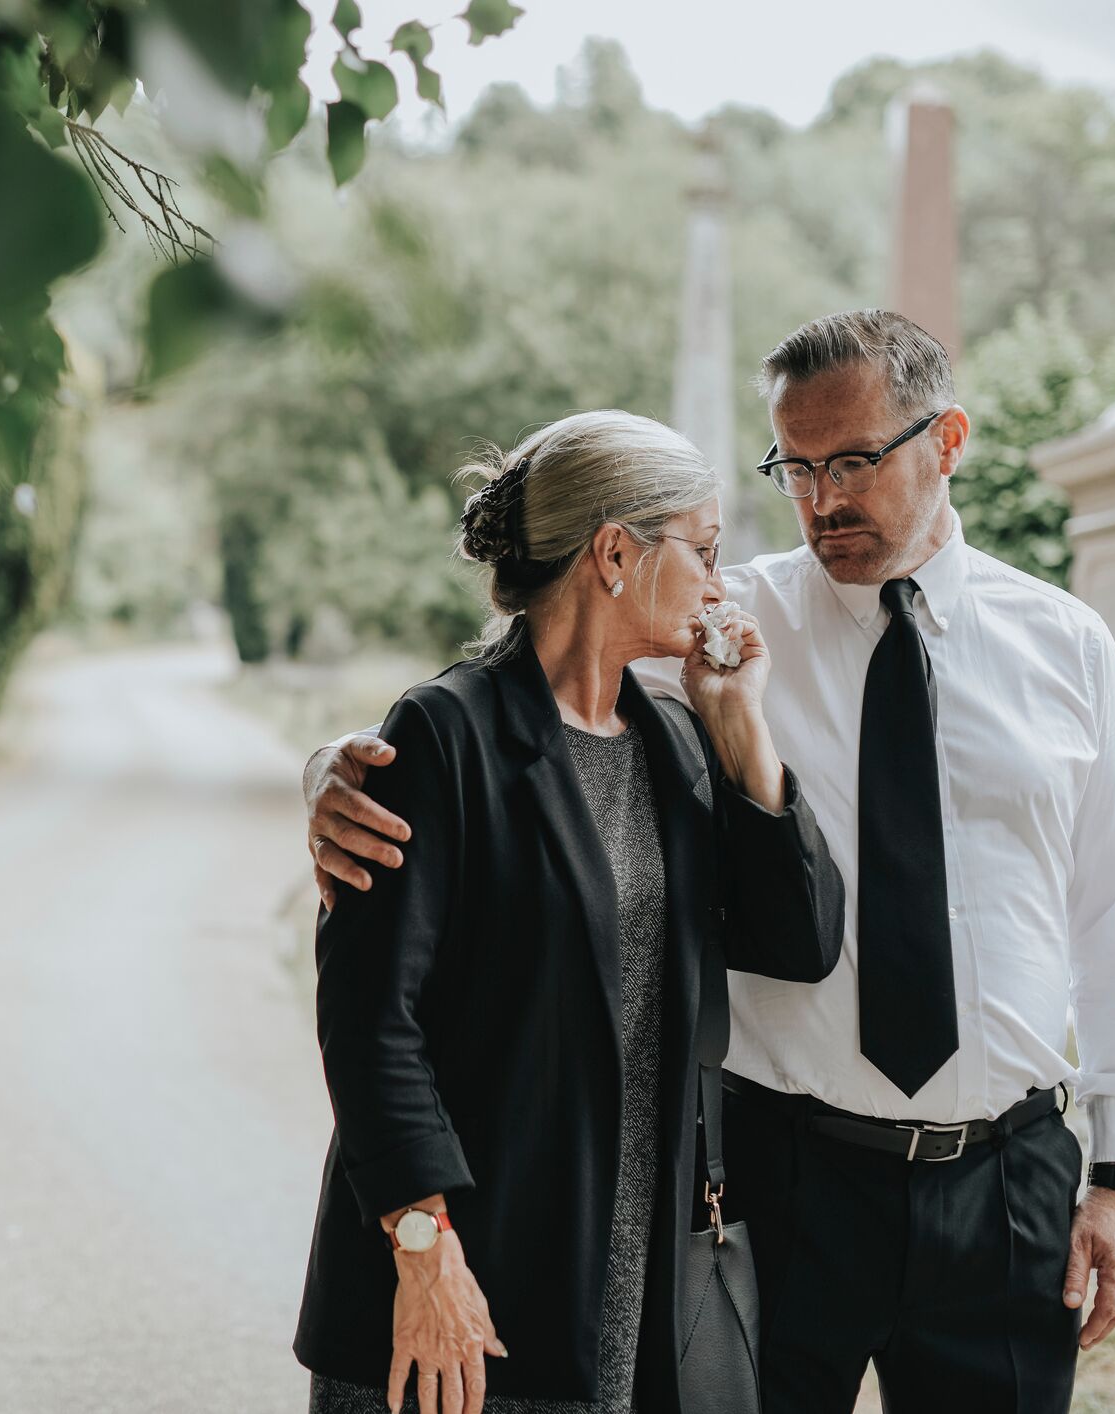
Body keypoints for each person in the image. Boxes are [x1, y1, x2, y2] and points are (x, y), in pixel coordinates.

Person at [305, 312, 1115, 1414]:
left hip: (1004, 1185)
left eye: (854, 461)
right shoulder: (716, 628)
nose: (821, 501)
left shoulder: (1061, 647)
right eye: (799, 468)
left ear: (947, 439)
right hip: (781, 1178)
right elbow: (506, 695)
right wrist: (335, 768)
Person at [294, 410, 844, 1414]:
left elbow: (798, 942)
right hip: (453, 1283)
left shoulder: (674, 743)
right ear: (615, 552)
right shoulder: (445, 733)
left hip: (619, 1291)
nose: (721, 582)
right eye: (705, 548)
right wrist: (425, 1252)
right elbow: (374, 1024)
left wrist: (742, 730)